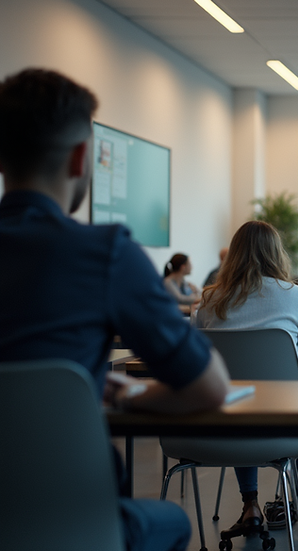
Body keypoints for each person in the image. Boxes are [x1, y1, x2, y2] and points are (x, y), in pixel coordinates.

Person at [0, 68, 231, 551]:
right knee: (172, 522)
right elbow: (210, 387)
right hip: (73, 518)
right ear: (81, 157)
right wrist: (130, 396)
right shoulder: (105, 254)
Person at [196, 221, 298, 544]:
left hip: (222, 423)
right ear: (276, 254)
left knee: (242, 401)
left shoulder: (209, 301)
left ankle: (250, 507)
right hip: (285, 422)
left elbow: (196, 351)